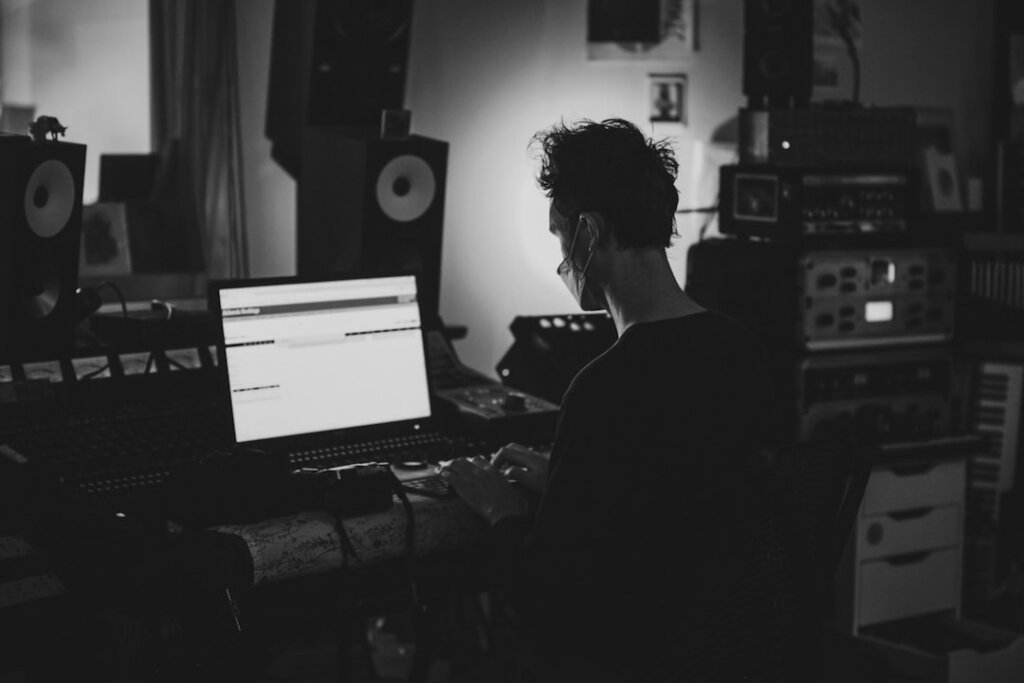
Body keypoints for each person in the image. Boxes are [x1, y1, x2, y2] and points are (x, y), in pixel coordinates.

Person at [440, 119, 799, 682]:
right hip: (731, 656)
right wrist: (567, 480)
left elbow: (544, 599)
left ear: (589, 233)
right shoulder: (744, 352)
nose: (561, 259)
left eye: (559, 237)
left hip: (627, 657)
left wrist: (499, 506)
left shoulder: (604, 387)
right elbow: (681, 500)